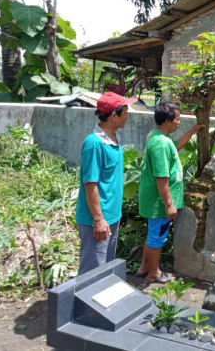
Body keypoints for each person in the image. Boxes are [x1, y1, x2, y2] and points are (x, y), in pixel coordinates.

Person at [136, 102, 205, 283]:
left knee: (153, 233)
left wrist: (194, 130)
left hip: (157, 200)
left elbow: (176, 146)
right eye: (177, 119)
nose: (179, 122)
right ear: (167, 120)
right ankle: (154, 273)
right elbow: (161, 177)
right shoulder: (160, 144)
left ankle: (144, 267)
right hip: (159, 202)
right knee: (157, 237)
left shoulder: (159, 136)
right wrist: (169, 204)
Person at [76, 91, 137, 275]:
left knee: (104, 268)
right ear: (113, 115)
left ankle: (97, 303)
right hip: (98, 219)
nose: (128, 115)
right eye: (125, 111)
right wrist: (98, 219)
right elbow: (90, 184)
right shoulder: (94, 144)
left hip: (111, 216)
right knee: (92, 271)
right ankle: (81, 305)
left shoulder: (114, 139)